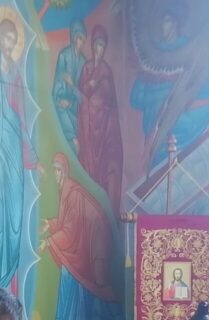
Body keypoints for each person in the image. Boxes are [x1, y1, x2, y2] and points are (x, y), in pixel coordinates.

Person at [40, 153, 123, 320]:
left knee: (94, 281)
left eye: (58, 169)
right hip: (83, 239)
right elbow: (69, 221)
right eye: (53, 169)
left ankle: (114, 316)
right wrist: (51, 223)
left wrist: (48, 242)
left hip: (93, 242)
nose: (55, 173)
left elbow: (71, 228)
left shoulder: (72, 192)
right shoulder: (65, 190)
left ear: (65, 171)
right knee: (72, 275)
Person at [0, 18, 40, 292]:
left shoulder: (17, 75)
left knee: (15, 218)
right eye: (6, 38)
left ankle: (9, 285)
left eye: (13, 40)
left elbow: (22, 120)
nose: (9, 44)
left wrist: (33, 158)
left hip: (14, 152)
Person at [77, 25, 123, 214]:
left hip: (103, 127)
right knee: (89, 169)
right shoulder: (87, 67)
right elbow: (81, 95)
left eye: (102, 46)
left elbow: (109, 100)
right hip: (88, 128)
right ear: (92, 46)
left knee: (106, 169)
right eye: (97, 45)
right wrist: (89, 85)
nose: (99, 49)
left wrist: (95, 95)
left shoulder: (106, 71)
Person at [53, 20, 86, 153]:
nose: (81, 42)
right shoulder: (64, 56)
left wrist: (73, 86)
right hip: (63, 99)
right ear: (73, 37)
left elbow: (82, 93)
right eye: (79, 38)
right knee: (61, 109)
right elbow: (59, 80)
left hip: (75, 103)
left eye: (83, 39)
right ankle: (73, 139)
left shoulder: (83, 62)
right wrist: (61, 98)